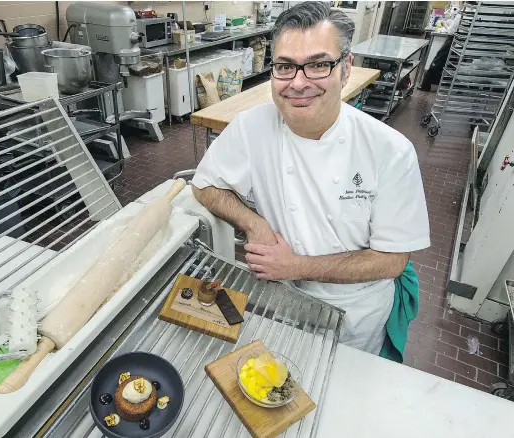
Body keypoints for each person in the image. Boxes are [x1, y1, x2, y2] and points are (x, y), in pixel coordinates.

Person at [191, 2, 430, 355]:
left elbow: (392, 260)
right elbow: (205, 184)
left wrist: (295, 265)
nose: (298, 83)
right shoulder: (250, 127)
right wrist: (253, 223)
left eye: (318, 65)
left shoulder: (390, 151)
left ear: (345, 69)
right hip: (282, 301)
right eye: (285, 66)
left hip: (355, 312)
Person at [418, 8, 462, 91]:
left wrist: (444, 23)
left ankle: (425, 86)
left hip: (452, 40)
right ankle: (427, 85)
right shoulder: (468, 14)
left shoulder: (461, 15)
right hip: (458, 42)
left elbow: (451, 31)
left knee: (437, 62)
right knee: (445, 64)